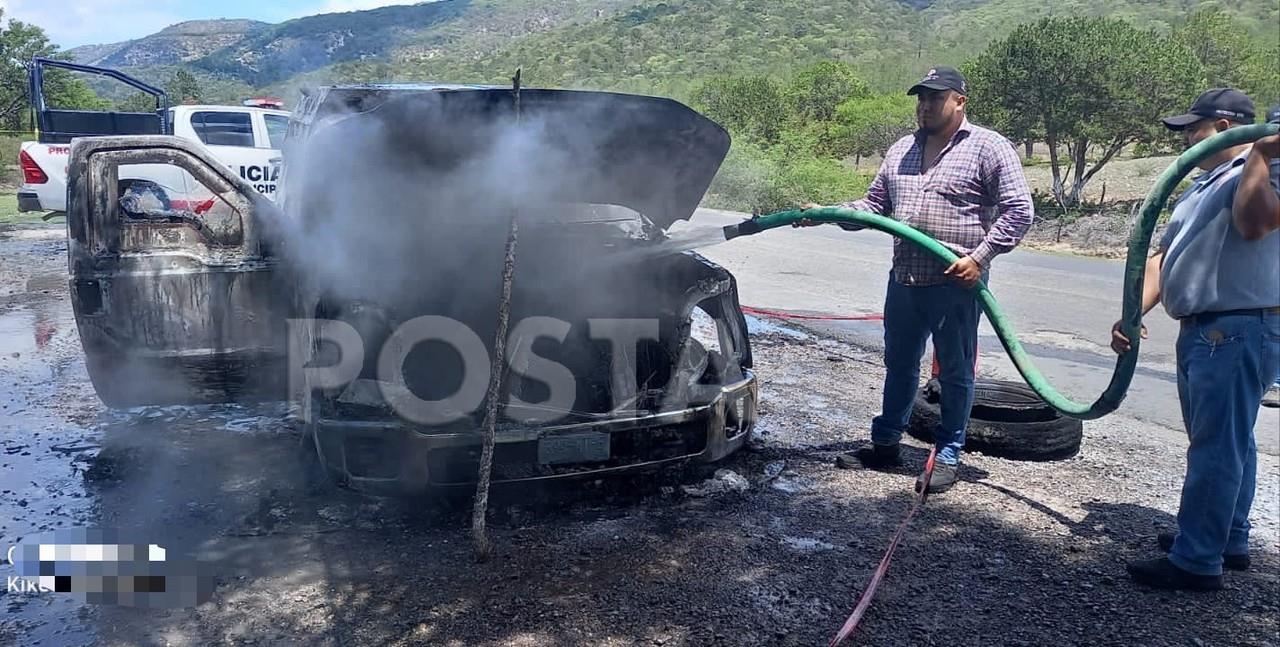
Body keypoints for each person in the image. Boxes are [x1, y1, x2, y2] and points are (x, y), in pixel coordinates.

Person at [799, 66, 1033, 493]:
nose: (924, 106)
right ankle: (886, 443)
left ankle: (947, 453)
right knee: (900, 364)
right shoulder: (902, 149)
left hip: (955, 283)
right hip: (904, 279)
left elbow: (1020, 210)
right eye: (921, 98)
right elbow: (874, 206)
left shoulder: (988, 148)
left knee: (956, 372)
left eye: (934, 98)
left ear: (959, 100)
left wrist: (980, 258)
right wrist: (826, 213)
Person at [1112, 88, 1280, 590]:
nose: (1187, 138)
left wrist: (1262, 153)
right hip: (1206, 331)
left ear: (1230, 128)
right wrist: (1129, 313)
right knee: (1229, 442)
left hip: (1238, 326)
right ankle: (1226, 537)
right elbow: (1165, 257)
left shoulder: (1267, 173)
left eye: (1195, 128)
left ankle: (1197, 560)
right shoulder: (1202, 185)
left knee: (1215, 447)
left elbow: (1254, 224)